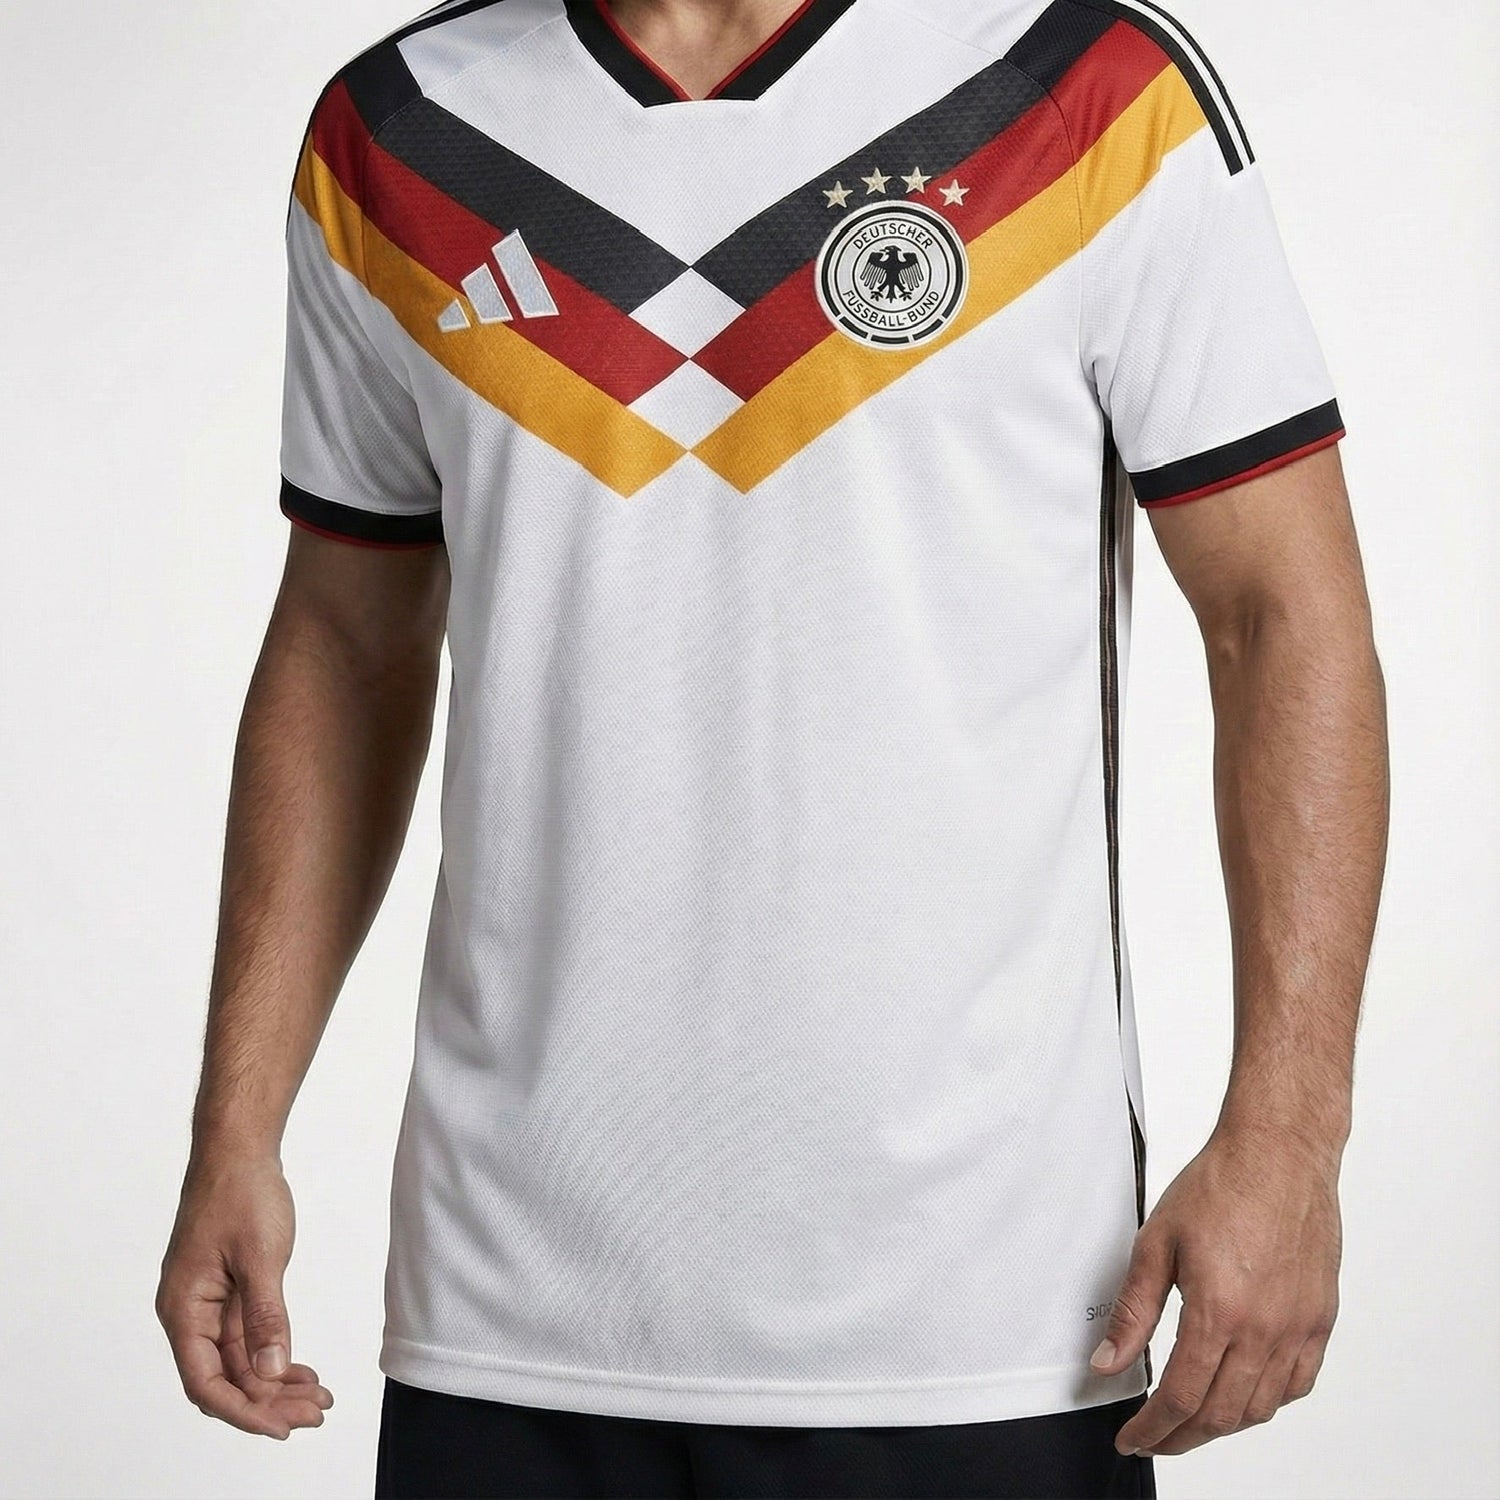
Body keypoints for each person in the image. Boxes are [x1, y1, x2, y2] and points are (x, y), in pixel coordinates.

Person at [155, 0, 1388, 1495]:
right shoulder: (399, 132)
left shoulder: (1087, 92)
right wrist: (236, 1127)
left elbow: (1281, 621)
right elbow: (343, 648)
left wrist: (1289, 1140)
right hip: (508, 1317)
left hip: (983, 1320)